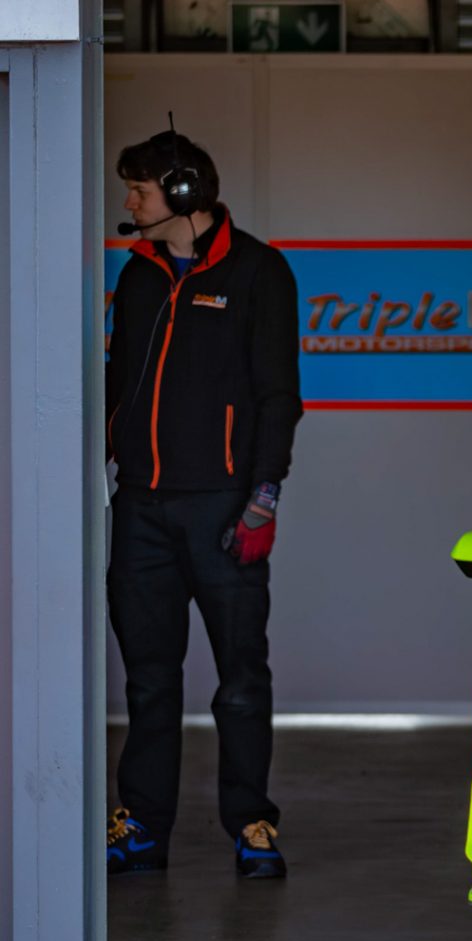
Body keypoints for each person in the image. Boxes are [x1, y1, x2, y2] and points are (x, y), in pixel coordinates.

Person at [104, 128, 302, 879]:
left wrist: (263, 497)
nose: (130, 202)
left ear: (183, 192)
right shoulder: (138, 276)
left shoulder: (259, 271)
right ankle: (141, 827)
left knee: (241, 681)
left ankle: (251, 822)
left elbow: (279, 396)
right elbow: (115, 382)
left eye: (140, 189)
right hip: (141, 511)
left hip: (224, 509)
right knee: (149, 681)